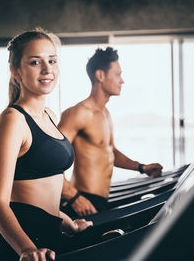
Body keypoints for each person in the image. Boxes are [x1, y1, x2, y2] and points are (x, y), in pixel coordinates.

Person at [0, 28, 92, 261]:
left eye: (52, 60)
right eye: (35, 62)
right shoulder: (13, 120)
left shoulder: (50, 115)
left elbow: (44, 195)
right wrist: (25, 249)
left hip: (50, 239)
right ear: (16, 71)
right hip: (24, 247)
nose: (47, 70)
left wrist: (68, 223)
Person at [58, 47, 163, 217]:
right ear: (100, 75)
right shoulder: (79, 113)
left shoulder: (105, 113)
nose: (122, 81)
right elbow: (51, 161)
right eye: (117, 74)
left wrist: (142, 167)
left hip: (99, 201)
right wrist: (73, 197)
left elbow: (110, 152)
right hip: (81, 201)